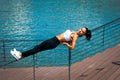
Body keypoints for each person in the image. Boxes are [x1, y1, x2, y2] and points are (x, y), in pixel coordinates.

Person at [10, 27, 92, 60]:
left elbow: (73, 47)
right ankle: (20, 55)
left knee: (37, 48)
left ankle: (20, 55)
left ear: (83, 34)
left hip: (54, 42)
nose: (80, 30)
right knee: (37, 48)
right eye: (81, 29)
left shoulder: (75, 37)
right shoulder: (75, 33)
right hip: (53, 40)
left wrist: (67, 44)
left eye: (82, 31)